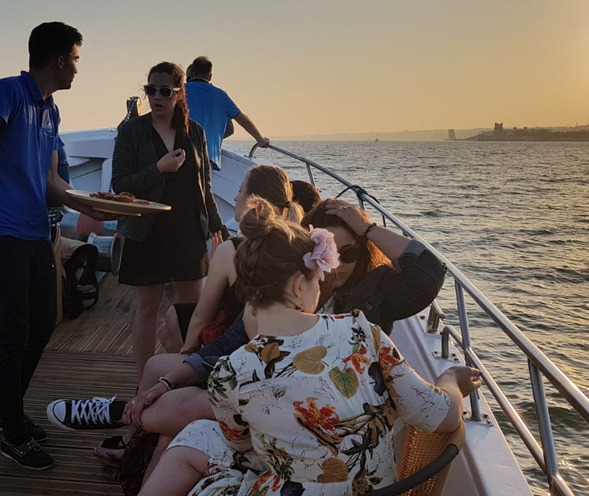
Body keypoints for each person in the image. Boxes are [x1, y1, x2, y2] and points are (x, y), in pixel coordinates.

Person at [46, 196, 446, 476]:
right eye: (328, 252)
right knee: (164, 377)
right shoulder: (289, 297)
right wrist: (169, 379)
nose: (335, 266)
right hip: (274, 400)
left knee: (187, 419)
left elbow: (429, 271)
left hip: (314, 419)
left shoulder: (372, 299)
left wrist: (369, 226)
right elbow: (230, 345)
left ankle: (123, 416)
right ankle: (133, 438)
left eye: (351, 252)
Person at [139, 197, 481, 495]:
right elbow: (443, 415)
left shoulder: (231, 372)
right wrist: (450, 378)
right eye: (320, 272)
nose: (328, 276)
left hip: (290, 480)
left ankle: (125, 422)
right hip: (371, 488)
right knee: (191, 428)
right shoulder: (363, 331)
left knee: (191, 438)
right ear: (299, 285)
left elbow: (245, 445)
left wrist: (367, 228)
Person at [0, 21, 111, 470]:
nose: (78, 68)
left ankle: (8, 409)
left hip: (36, 232)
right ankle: (14, 433)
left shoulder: (51, 111)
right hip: (1, 233)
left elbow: (52, 183)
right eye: (77, 59)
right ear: (60, 60)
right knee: (11, 332)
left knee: (44, 322)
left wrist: (95, 204)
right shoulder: (7, 93)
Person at [111, 61, 229, 378]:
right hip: (145, 231)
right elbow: (119, 184)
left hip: (188, 232)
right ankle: (145, 382)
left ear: (179, 94)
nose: (156, 97)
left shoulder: (196, 133)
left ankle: (185, 376)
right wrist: (158, 169)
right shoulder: (132, 131)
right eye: (150, 90)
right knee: (147, 309)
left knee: (193, 315)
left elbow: (205, 188)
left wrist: (218, 228)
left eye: (165, 91)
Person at [158, 165, 304, 354]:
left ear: (255, 200)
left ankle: (192, 380)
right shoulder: (300, 246)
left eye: (240, 191)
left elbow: (202, 316)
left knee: (171, 323)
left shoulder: (234, 250)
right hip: (282, 345)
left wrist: (186, 362)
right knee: (168, 326)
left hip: (235, 346)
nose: (235, 198)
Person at [185, 55, 269, 171]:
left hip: (183, 154)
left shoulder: (180, 92)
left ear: (192, 73)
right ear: (210, 76)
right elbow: (243, 119)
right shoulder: (221, 95)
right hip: (209, 158)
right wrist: (260, 139)